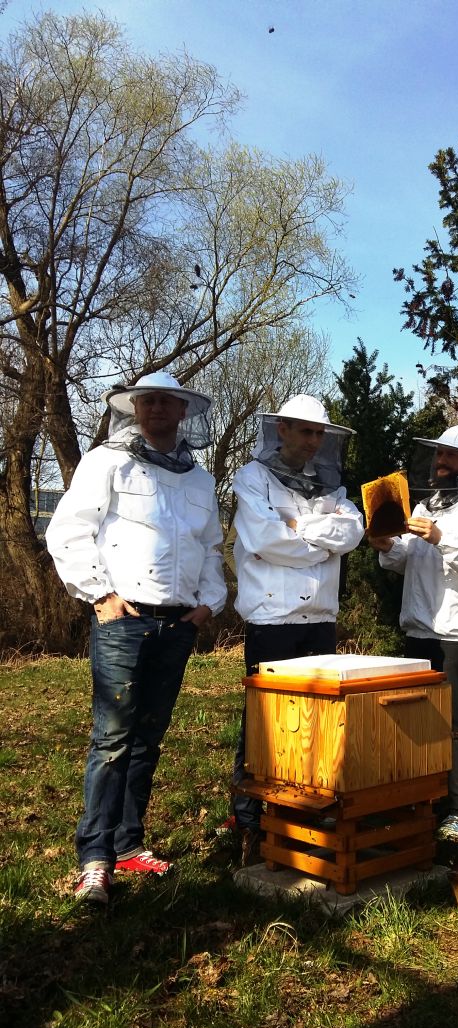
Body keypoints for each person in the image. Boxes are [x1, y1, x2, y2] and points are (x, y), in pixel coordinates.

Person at [46, 371, 227, 905]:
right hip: (122, 617)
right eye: (147, 401)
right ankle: (95, 858)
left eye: (167, 402)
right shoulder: (107, 461)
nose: (157, 410)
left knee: (148, 736)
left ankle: (128, 843)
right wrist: (100, 595)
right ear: (134, 408)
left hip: (177, 624)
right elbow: (69, 529)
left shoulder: (198, 479)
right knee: (112, 739)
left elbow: (213, 549)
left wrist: (206, 606)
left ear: (182, 411)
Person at [228, 395, 363, 854]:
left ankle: (300, 814)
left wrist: (297, 526)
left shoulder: (332, 487)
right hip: (273, 617)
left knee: (314, 722)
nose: (313, 440)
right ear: (281, 430)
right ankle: (249, 819)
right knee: (265, 722)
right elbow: (265, 539)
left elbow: (352, 533)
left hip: (321, 616)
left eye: (320, 433)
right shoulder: (252, 477)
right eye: (305, 431)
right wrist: (320, 539)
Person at [369, 426, 458, 841]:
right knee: (419, 716)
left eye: (451, 454)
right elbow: (403, 560)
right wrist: (384, 544)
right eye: (438, 453)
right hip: (420, 623)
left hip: (457, 627)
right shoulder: (426, 504)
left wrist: (443, 538)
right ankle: (425, 797)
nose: (441, 461)